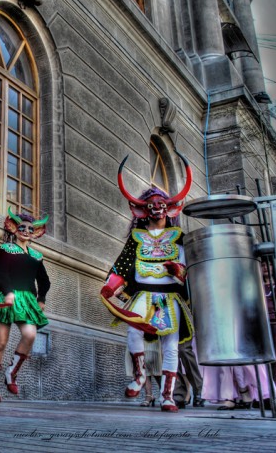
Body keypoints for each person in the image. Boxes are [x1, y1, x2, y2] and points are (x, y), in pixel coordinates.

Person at [99, 154, 194, 412]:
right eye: (151, 204)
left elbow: (189, 272)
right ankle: (140, 376)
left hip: (170, 298)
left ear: (171, 209)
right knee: (133, 330)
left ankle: (167, 396)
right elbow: (123, 265)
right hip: (143, 296)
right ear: (141, 210)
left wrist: (179, 271)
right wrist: (111, 284)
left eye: (161, 203)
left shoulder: (178, 238)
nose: (156, 207)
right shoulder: (136, 238)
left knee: (170, 345)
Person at [0, 208, 50, 402]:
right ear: (13, 228)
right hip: (5, 297)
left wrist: (41, 298)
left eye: (30, 228)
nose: (26, 231)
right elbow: (1, 272)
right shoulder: (5, 249)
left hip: (26, 301)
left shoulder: (37, 256)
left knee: (30, 334)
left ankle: (11, 373)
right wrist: (8, 292)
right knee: (1, 342)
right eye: (22, 227)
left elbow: (44, 281)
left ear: (36, 232)